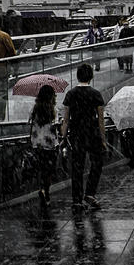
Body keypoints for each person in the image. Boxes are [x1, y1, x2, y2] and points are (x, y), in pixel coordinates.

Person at [61, 63, 107, 212]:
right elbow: (101, 120)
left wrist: (63, 136)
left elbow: (66, 119)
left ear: (77, 76)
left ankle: (77, 200)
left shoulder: (70, 94)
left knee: (77, 167)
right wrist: (103, 139)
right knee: (97, 164)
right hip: (92, 133)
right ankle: (90, 193)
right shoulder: (96, 94)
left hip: (77, 134)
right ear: (91, 77)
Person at [29, 85, 59, 206]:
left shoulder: (34, 109)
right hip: (49, 145)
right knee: (49, 170)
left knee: (40, 168)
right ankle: (46, 192)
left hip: (37, 144)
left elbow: (30, 123)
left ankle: (41, 188)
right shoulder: (53, 110)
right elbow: (56, 126)